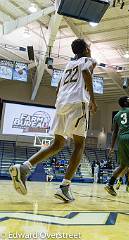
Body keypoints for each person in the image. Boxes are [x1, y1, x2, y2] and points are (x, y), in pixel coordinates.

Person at [9, 39, 97, 202]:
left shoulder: (68, 66)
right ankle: (64, 186)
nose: (90, 50)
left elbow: (58, 88)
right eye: (89, 47)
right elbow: (86, 72)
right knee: (79, 144)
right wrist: (92, 99)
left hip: (61, 104)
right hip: (77, 103)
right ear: (85, 49)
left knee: (57, 144)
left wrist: (62, 103)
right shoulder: (88, 60)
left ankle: (24, 167)